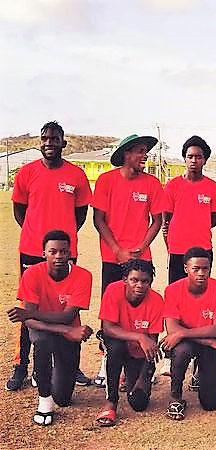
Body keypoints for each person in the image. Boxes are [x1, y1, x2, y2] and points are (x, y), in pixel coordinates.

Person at [8, 121, 92, 391]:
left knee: (66, 307)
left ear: (63, 142)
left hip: (65, 253)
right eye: (44, 138)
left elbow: (80, 214)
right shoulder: (27, 172)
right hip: (32, 251)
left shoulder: (76, 175)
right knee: (29, 310)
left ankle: (69, 365)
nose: (49, 143)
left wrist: (62, 242)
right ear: (39, 142)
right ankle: (22, 366)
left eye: (54, 138)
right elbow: (19, 209)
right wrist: (37, 237)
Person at [91, 134, 164, 388]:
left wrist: (141, 247)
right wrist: (117, 249)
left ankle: (144, 365)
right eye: (140, 151)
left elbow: (157, 220)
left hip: (141, 258)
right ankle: (106, 360)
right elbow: (98, 219)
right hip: (112, 257)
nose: (145, 155)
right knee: (110, 311)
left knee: (141, 309)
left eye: (146, 151)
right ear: (125, 154)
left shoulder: (152, 183)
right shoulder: (106, 181)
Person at [7, 230, 93, 426]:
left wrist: (30, 313)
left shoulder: (83, 276)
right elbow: (29, 323)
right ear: (43, 253)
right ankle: (44, 400)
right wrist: (67, 330)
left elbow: (67, 317)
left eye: (63, 252)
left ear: (70, 252)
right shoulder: (31, 273)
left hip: (68, 334)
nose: (59, 256)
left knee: (63, 399)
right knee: (42, 341)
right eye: (53, 251)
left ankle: (45, 372)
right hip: (50, 331)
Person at [162, 247, 216, 421]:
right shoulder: (172, 290)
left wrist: (182, 333)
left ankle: (199, 374)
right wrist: (210, 342)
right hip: (196, 342)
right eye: (195, 269)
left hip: (208, 339)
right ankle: (176, 397)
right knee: (180, 351)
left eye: (205, 268)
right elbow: (172, 330)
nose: (201, 273)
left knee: (210, 404)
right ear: (186, 268)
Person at [95, 259, 163, 427]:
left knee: (139, 404)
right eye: (134, 280)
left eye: (145, 281)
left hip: (137, 352)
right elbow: (108, 329)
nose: (139, 285)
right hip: (117, 342)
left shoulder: (156, 300)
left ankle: (128, 375)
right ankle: (111, 402)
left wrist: (144, 376)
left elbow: (152, 344)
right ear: (125, 279)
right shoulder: (113, 290)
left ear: (150, 282)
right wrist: (139, 337)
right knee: (116, 349)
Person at [163, 135, 216, 283]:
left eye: (198, 157)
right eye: (190, 156)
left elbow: (213, 220)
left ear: (205, 160)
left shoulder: (213, 187)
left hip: (203, 249)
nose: (194, 161)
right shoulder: (172, 186)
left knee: (201, 292)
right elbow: (166, 219)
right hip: (177, 250)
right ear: (184, 158)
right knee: (176, 292)